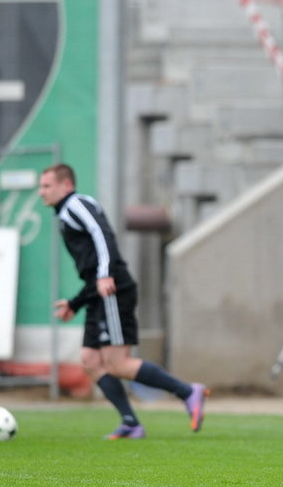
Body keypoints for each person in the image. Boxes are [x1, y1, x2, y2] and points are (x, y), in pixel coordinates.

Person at [38, 163, 209, 439]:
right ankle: (130, 422)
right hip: (99, 292)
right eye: (41, 186)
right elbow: (91, 268)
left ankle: (189, 392)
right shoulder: (66, 213)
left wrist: (105, 274)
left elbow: (102, 234)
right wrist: (76, 302)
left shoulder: (76, 204)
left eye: (46, 186)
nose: (40, 192)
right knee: (91, 360)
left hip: (112, 290)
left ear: (66, 185)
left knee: (117, 363)